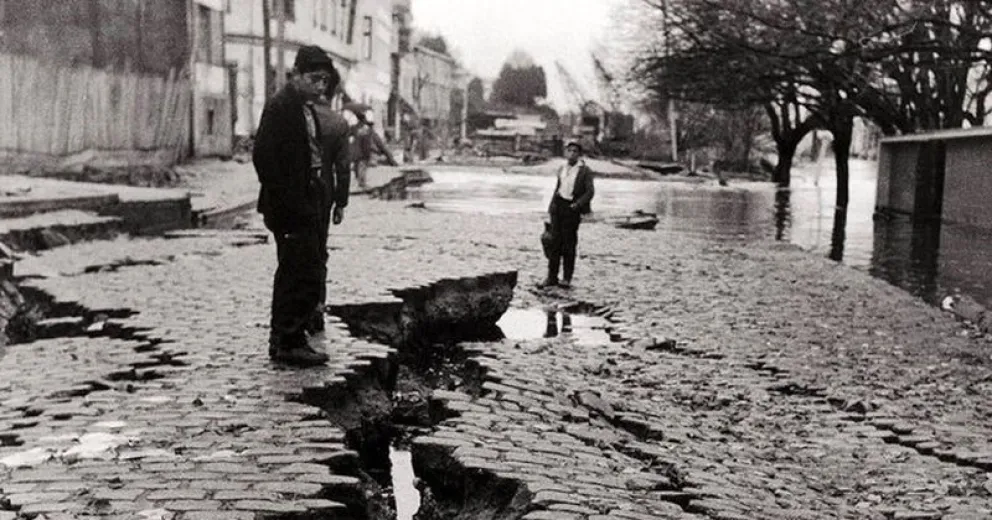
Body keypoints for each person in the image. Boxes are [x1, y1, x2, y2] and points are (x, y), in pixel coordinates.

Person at [252, 45, 337, 366]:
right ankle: (289, 341)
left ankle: (286, 337)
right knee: (297, 273)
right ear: (297, 75)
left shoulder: (303, 107)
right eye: (315, 79)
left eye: (325, 81)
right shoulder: (282, 107)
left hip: (303, 204)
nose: (320, 87)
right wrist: (288, 200)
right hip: (290, 209)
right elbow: (263, 156)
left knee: (304, 271)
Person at [310, 70, 352, 336]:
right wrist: (340, 202)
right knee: (318, 252)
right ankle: (317, 309)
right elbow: (343, 168)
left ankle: (293, 316)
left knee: (293, 257)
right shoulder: (338, 123)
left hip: (294, 195)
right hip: (322, 197)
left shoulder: (297, 117)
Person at [538, 141, 595, 289]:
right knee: (554, 243)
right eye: (569, 151)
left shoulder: (584, 171)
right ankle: (551, 277)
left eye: (575, 151)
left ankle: (567, 278)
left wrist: (578, 205)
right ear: (566, 152)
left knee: (569, 245)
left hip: (572, 208)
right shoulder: (562, 168)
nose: (572, 154)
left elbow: (590, 192)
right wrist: (551, 207)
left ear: (579, 154)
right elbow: (558, 188)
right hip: (558, 207)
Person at [351, 112, 397, 189]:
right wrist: (392, 160)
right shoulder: (368, 131)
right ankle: (361, 184)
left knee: (359, 167)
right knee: (362, 166)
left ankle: (360, 183)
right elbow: (381, 146)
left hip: (356, 153)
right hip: (363, 153)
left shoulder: (355, 129)